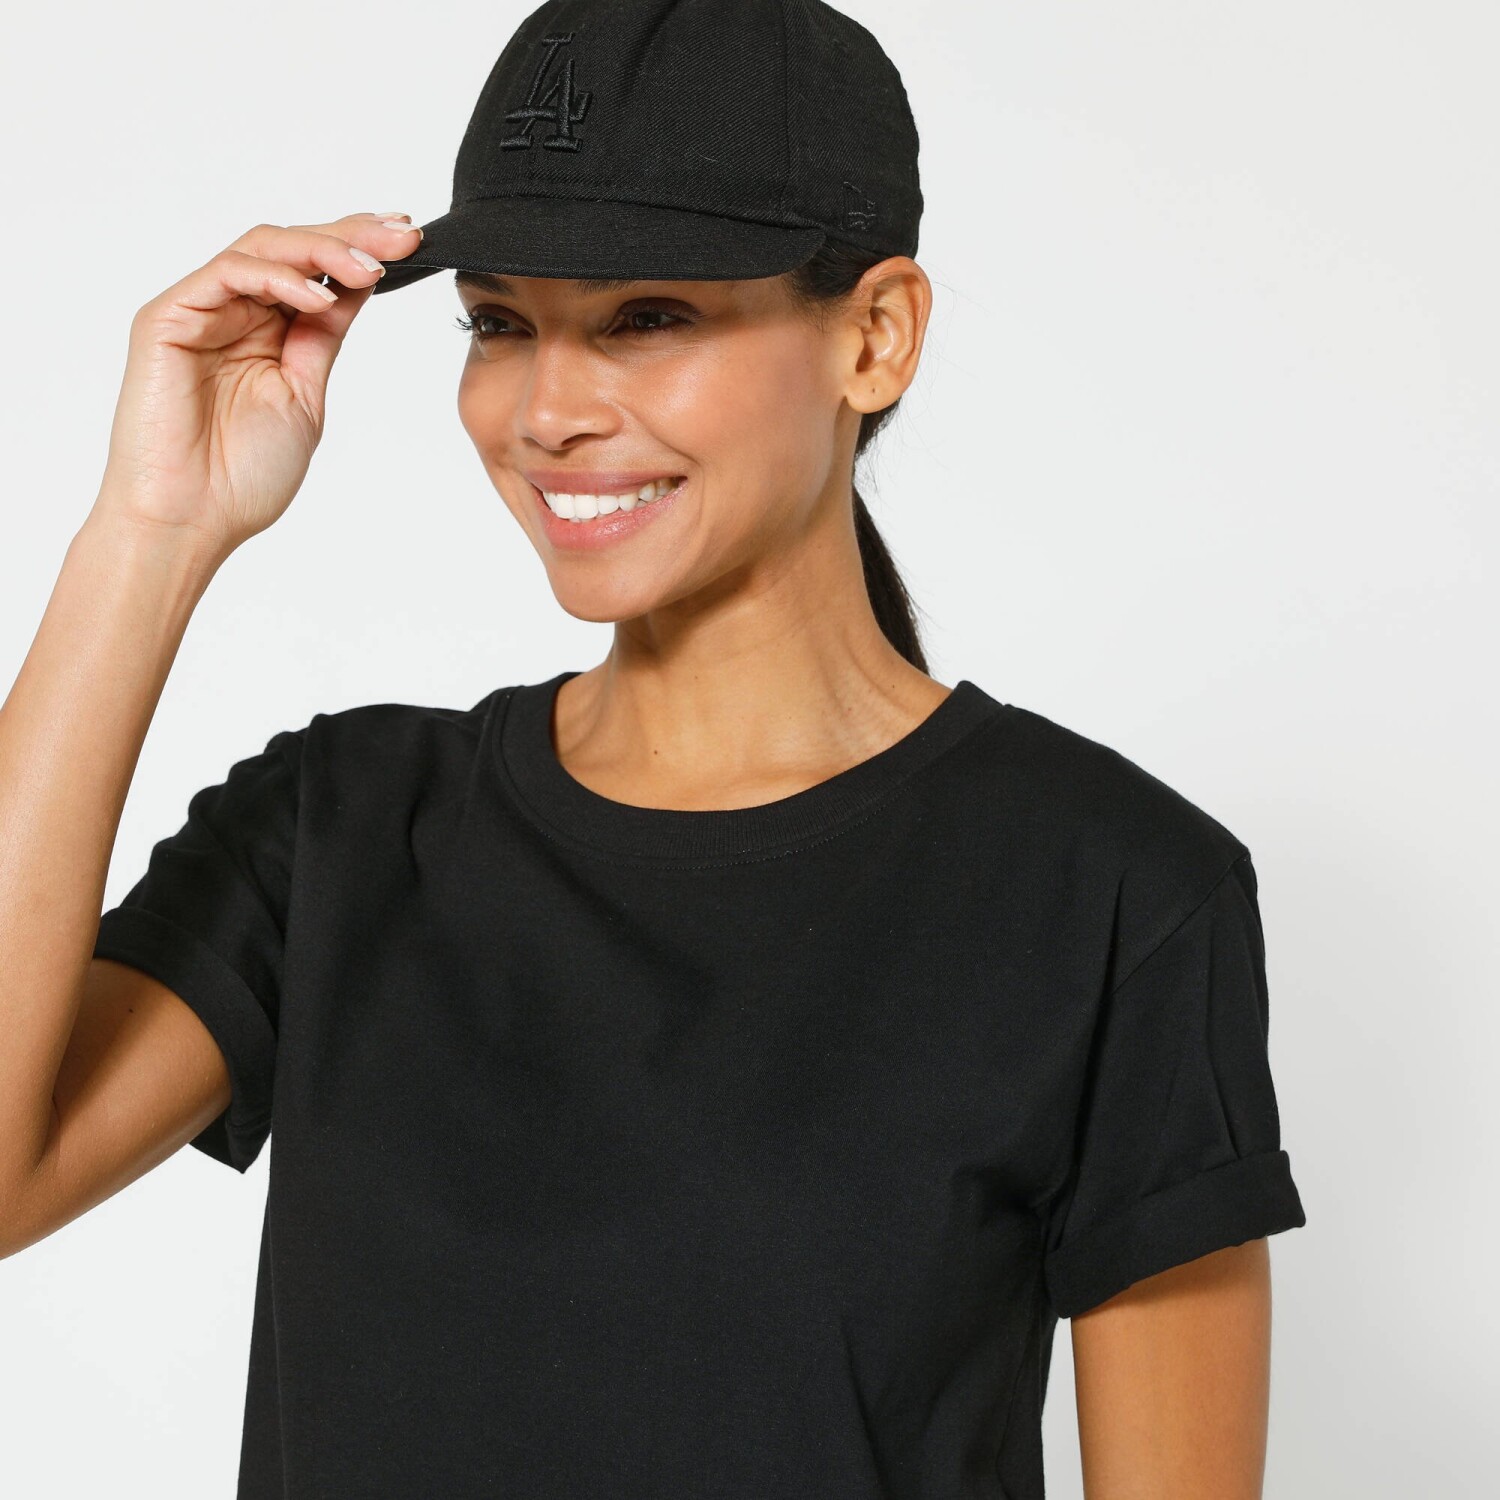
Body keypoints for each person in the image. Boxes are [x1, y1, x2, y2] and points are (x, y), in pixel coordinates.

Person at [0, 0, 1307, 1495]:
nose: (548, 412)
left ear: (875, 336)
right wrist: (152, 530)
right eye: (499, 322)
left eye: (649, 317)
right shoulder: (340, 833)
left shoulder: (1112, 892)